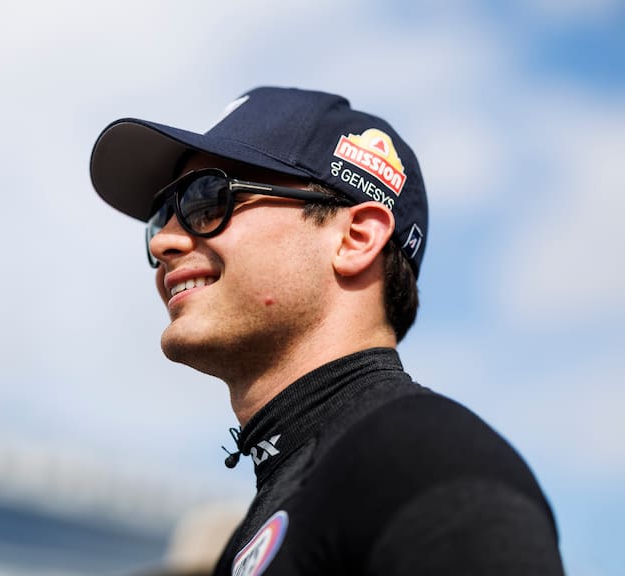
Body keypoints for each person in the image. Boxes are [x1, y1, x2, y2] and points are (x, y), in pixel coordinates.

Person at [90, 87, 565, 575]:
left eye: (208, 199)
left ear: (356, 239)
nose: (167, 240)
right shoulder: (270, 517)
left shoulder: (426, 463)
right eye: (160, 218)